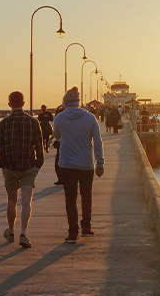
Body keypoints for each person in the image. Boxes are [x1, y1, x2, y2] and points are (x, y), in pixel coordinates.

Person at [53, 87, 104, 244]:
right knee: (86, 196)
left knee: (70, 198)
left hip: (67, 164)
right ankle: (87, 227)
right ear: (78, 102)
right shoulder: (90, 118)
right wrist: (100, 162)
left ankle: (73, 232)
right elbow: (97, 142)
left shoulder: (60, 118)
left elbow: (56, 136)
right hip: (86, 165)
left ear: (65, 103)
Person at [0, 91, 44, 249]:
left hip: (10, 166)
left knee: (11, 200)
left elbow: (0, 149)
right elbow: (39, 145)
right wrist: (38, 164)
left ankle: (10, 231)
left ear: (9, 104)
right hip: (28, 166)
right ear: (24, 103)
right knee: (26, 201)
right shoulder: (33, 122)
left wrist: (3, 165)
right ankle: (23, 233)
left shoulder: (3, 124)